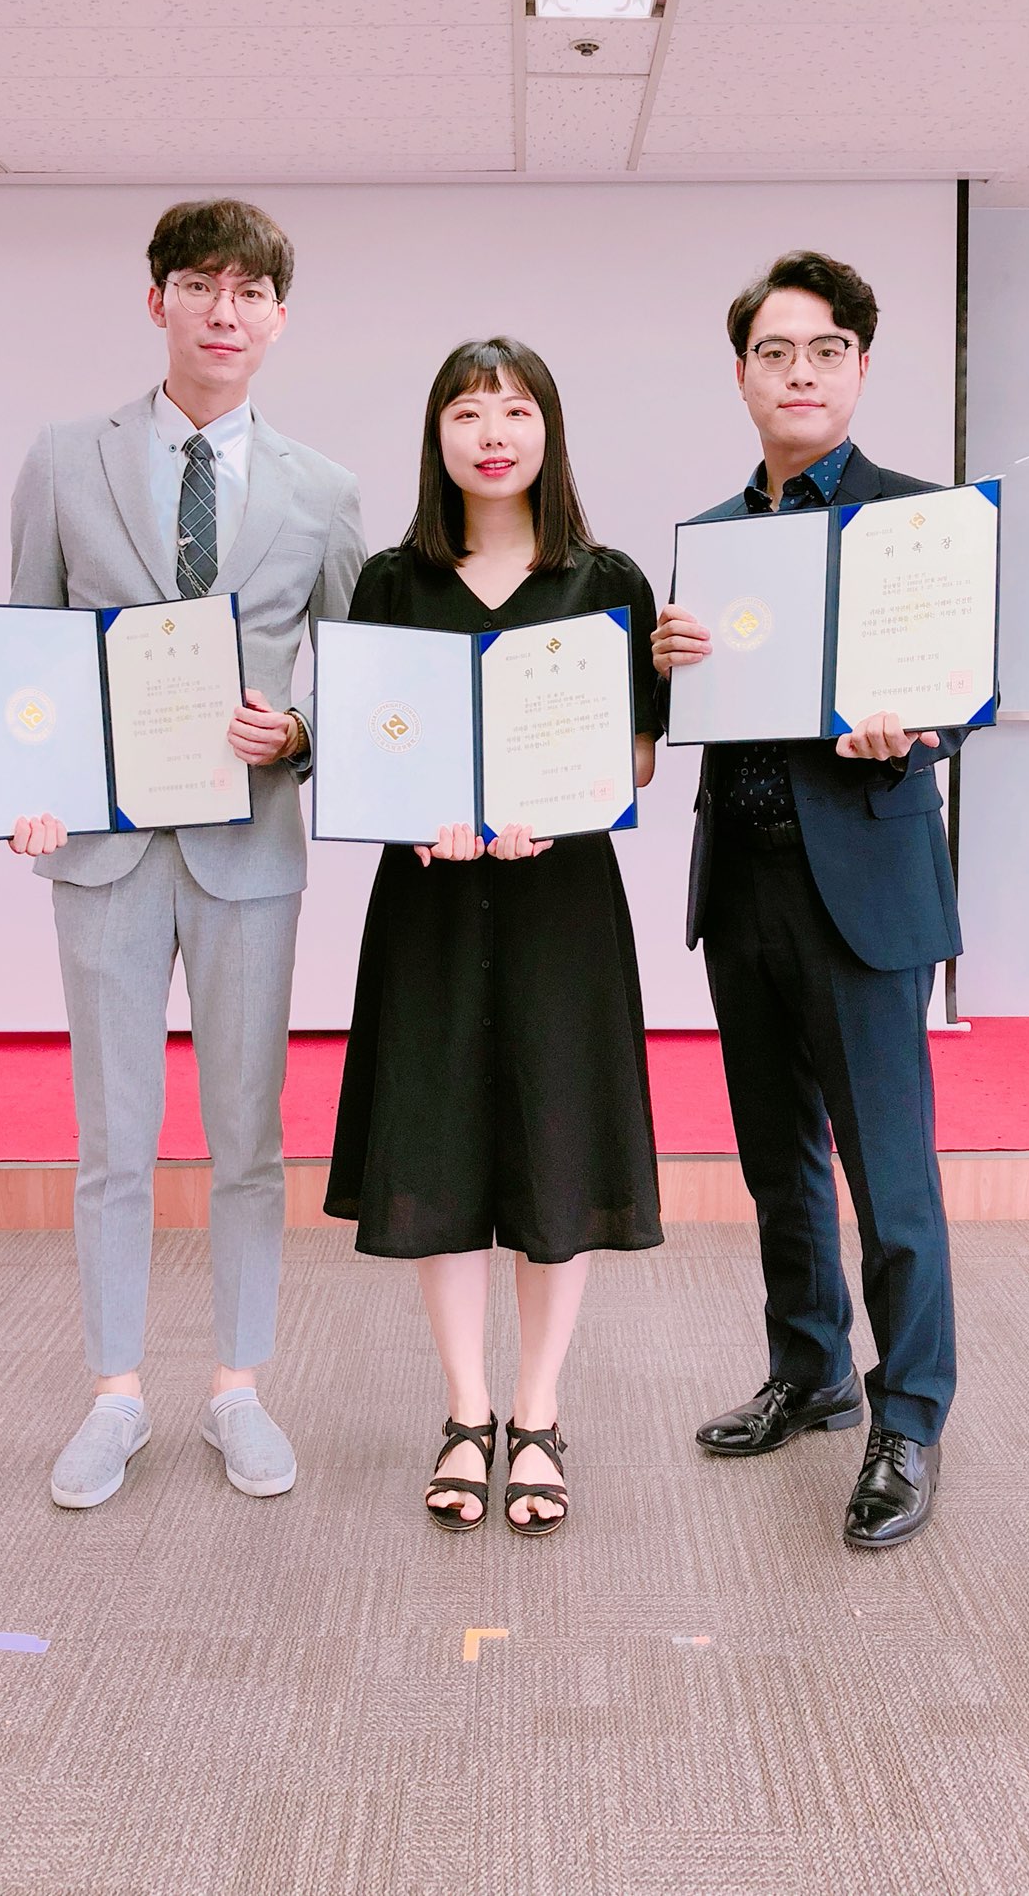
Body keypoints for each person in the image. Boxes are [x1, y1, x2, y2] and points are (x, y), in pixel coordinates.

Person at [7, 198, 364, 1510]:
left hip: (247, 849)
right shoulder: (65, 459)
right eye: (201, 284)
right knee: (113, 1137)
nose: (225, 309)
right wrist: (29, 783)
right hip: (103, 852)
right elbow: (28, 651)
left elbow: (358, 677)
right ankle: (113, 1394)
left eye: (250, 290)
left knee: (246, 1138)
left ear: (279, 317)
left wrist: (300, 732)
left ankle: (237, 1387)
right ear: (155, 299)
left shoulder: (324, 491)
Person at [652, 250, 971, 1550]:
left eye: (825, 350)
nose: (800, 372)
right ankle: (812, 1369)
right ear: (742, 375)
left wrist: (919, 724)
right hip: (742, 883)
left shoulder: (920, 521)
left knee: (891, 1176)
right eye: (774, 352)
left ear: (860, 367)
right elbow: (701, 709)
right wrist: (663, 664)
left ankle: (911, 1415)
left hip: (867, 886)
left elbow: (960, 687)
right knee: (777, 1157)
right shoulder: (715, 540)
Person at [324, 337, 663, 1537]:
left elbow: (634, 758)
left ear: (547, 431)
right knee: (442, 1143)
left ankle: (540, 1409)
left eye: (515, 411)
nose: (492, 434)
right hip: (426, 906)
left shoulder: (607, 579)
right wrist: (412, 816)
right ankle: (467, 1411)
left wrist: (558, 808)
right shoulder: (390, 581)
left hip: (559, 905)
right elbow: (366, 751)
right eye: (467, 413)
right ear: (438, 438)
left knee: (555, 1144)